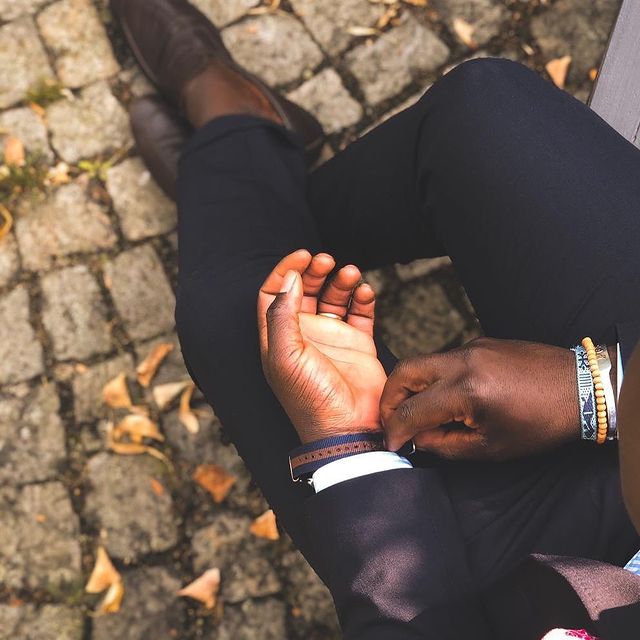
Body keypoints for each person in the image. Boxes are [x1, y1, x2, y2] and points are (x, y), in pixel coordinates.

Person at [111, 1, 640, 637]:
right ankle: (256, 197)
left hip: (509, 605)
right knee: (483, 113)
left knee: (234, 308)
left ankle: (238, 143)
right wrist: (599, 387)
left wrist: (350, 451)